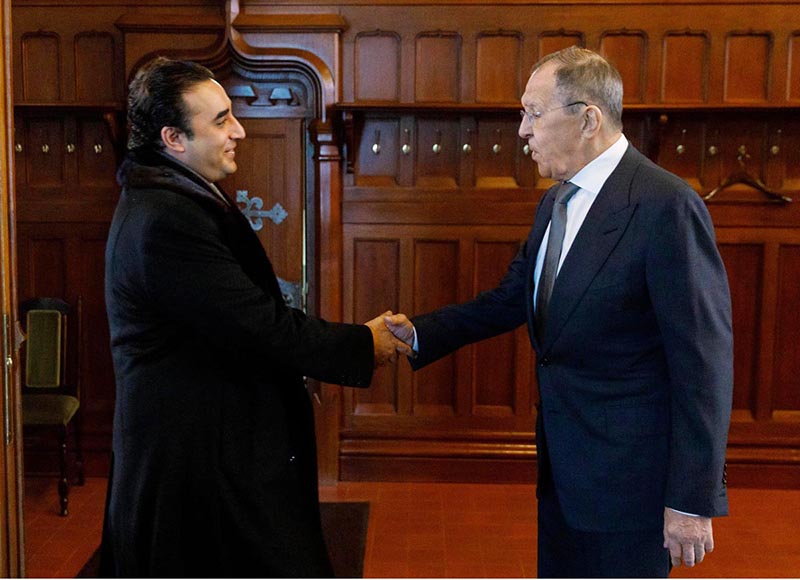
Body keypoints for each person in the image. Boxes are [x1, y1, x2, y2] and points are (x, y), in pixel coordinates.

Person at [386, 46, 733, 578]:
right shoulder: (556, 200)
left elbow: (704, 365)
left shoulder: (666, 205)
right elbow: (512, 298)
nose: (522, 130)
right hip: (565, 474)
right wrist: (419, 334)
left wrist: (692, 498)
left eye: (533, 112)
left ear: (587, 118)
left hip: (630, 486)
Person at [99, 56, 410, 577]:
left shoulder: (175, 196)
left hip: (212, 449)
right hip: (196, 467)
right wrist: (362, 344)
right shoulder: (164, 220)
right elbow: (256, 324)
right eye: (220, 120)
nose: (239, 130)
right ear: (174, 138)